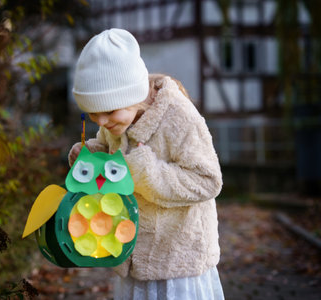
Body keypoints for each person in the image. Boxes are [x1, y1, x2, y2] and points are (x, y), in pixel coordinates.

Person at [68, 28, 225, 300]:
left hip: (178, 263)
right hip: (134, 256)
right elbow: (111, 153)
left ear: (133, 95)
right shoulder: (119, 118)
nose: (102, 122)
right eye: (93, 115)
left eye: (109, 112)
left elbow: (208, 180)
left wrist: (148, 174)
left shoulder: (179, 117)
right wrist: (92, 157)